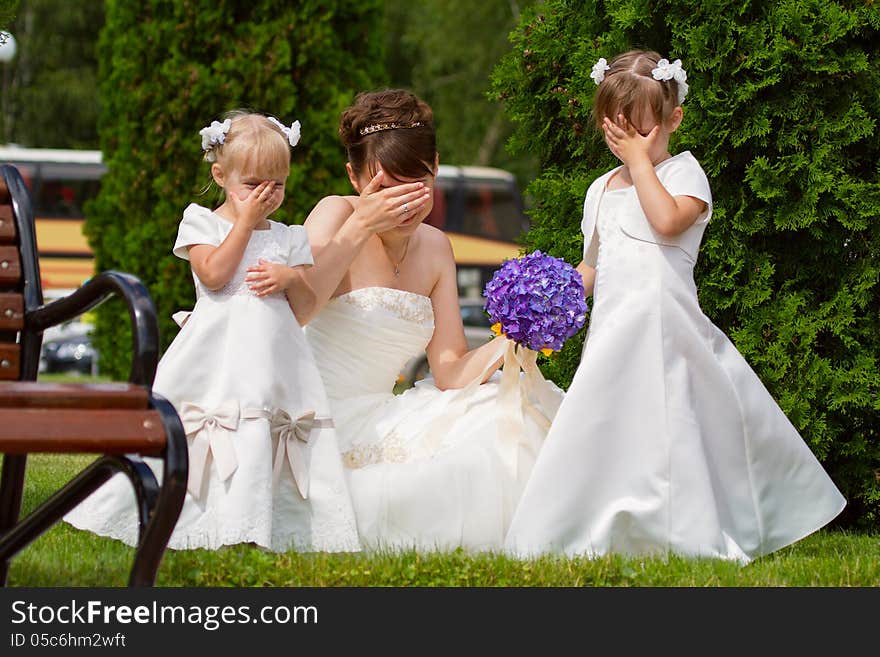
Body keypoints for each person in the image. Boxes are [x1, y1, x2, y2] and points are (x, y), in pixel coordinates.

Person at [503, 50, 847, 562]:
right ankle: (593, 522)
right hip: (614, 326)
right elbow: (595, 263)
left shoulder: (686, 175)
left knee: (673, 425)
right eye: (617, 135)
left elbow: (665, 222)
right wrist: (551, 299)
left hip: (666, 325)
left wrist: (641, 163)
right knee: (607, 421)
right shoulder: (600, 189)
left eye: (642, 135)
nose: (629, 148)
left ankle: (685, 528)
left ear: (672, 121)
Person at [246, 89, 564, 552]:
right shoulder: (334, 215)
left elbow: (451, 370)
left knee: (504, 413)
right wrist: (360, 228)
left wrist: (517, 333)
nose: (404, 204)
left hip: (380, 410)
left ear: (434, 166)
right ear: (354, 177)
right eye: (386, 188)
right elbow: (300, 308)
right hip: (314, 412)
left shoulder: (436, 247)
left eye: (416, 185)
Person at [65, 111, 360, 553]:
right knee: (213, 429)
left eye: (277, 185)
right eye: (253, 185)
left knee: (268, 424)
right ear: (220, 175)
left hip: (276, 361)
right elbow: (216, 275)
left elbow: (302, 310)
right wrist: (243, 224)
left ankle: (269, 522)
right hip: (216, 355)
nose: (265, 196)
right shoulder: (202, 222)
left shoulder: (289, 237)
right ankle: (197, 516)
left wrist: (291, 278)